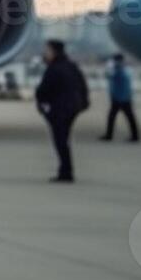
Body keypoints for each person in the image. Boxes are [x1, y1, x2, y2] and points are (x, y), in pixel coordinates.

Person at [34, 39, 89, 183]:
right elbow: (83, 86)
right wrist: (83, 103)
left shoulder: (54, 68)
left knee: (60, 140)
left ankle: (66, 172)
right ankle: (66, 170)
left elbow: (44, 89)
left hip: (60, 109)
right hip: (72, 108)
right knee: (63, 139)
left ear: (53, 51)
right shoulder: (71, 66)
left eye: (47, 50)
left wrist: (41, 105)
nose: (45, 54)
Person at [98, 53, 139, 142]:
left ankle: (109, 135)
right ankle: (135, 135)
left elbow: (110, 76)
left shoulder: (118, 69)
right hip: (125, 97)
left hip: (119, 98)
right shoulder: (126, 69)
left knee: (113, 117)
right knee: (129, 117)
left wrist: (109, 66)